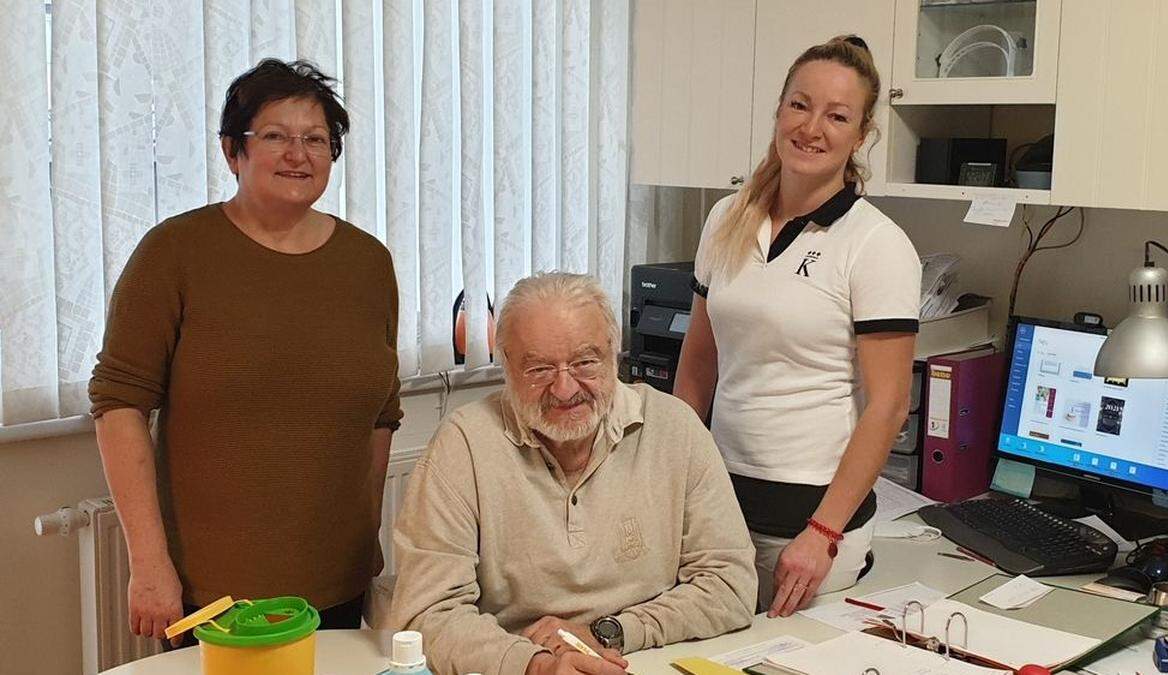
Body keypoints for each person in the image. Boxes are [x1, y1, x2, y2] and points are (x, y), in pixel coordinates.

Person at [89, 59, 402, 644]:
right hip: (211, 591)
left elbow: (381, 416)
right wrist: (149, 566)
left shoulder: (368, 263)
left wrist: (365, 539)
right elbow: (118, 405)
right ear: (234, 151)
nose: (298, 154)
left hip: (337, 584)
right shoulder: (174, 253)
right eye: (276, 136)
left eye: (316, 139)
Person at [388, 272, 756, 675]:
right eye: (540, 369)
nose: (565, 389)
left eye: (584, 362)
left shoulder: (676, 428)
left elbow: (730, 585)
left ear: (614, 355)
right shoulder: (463, 446)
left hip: (648, 658)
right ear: (507, 365)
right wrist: (537, 665)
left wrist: (609, 632)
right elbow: (427, 612)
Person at [673, 36, 920, 619]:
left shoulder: (876, 244)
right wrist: (677, 484)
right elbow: (698, 363)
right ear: (779, 110)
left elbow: (888, 406)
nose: (813, 127)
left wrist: (823, 534)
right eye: (800, 105)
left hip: (809, 523)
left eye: (837, 116)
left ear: (861, 136)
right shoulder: (727, 217)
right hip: (718, 507)